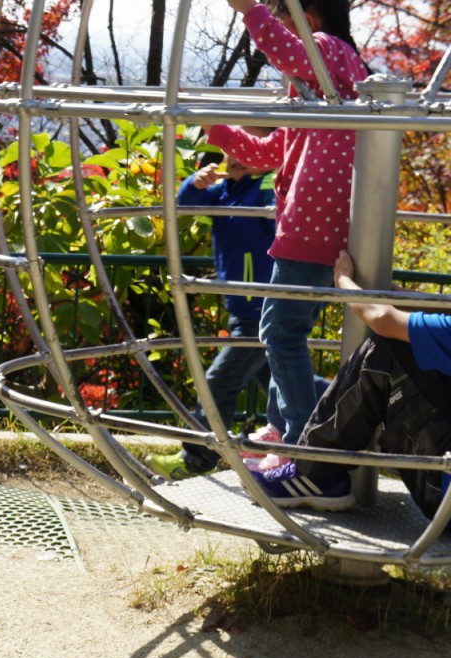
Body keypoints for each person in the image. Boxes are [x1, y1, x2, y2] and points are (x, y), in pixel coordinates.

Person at [207, 0, 370, 454]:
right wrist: (215, 127)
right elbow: (266, 153)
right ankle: (284, 426)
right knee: (284, 331)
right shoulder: (321, 100)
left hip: (314, 220)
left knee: (280, 332)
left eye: (282, 21)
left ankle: (303, 441)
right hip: (319, 220)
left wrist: (251, 10)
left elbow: (292, 53)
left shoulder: (327, 49)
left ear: (306, 21)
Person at [253, 251, 451, 514]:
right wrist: (391, 291)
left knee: (389, 349)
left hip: (443, 496)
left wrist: (343, 279)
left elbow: (382, 320)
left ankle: (312, 471)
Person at [148, 154, 279, 480]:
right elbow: (187, 204)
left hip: (263, 310)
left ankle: (196, 459)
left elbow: (281, 224)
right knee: (283, 384)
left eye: (248, 148)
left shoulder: (267, 186)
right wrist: (195, 183)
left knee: (218, 381)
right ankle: (342, 420)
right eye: (230, 149)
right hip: (244, 308)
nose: (236, 156)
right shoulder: (226, 189)